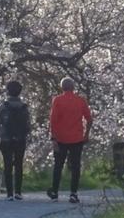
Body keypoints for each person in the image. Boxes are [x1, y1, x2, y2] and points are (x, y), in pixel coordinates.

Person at [47, 76, 93, 204]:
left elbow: (53, 120)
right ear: (73, 87)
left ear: (62, 87)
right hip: (77, 138)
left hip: (61, 138)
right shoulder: (80, 101)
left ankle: (55, 192)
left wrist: (53, 138)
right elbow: (89, 119)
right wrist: (86, 134)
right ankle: (73, 193)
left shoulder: (57, 100)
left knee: (58, 166)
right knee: (76, 166)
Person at [0, 80, 31, 201]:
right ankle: (18, 192)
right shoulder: (24, 108)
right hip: (20, 139)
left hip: (6, 139)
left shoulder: (3, 107)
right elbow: (28, 126)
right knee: (19, 165)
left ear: (8, 91)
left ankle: (9, 193)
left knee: (7, 165)